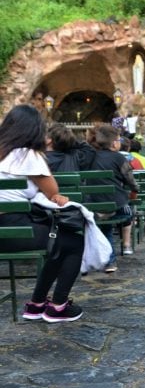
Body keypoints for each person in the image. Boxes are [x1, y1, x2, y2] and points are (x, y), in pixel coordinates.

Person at [0, 105, 86, 322]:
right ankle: (58, 305)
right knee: (73, 239)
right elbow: (52, 192)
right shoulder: (27, 155)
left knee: (57, 240)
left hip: (8, 231)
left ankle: (37, 303)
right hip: (14, 232)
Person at [87, 124, 139, 270]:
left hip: (93, 202)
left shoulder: (90, 156)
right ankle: (123, 248)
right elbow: (129, 179)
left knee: (106, 225)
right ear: (114, 143)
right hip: (116, 203)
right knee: (127, 212)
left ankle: (109, 261)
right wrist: (135, 190)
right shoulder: (118, 158)